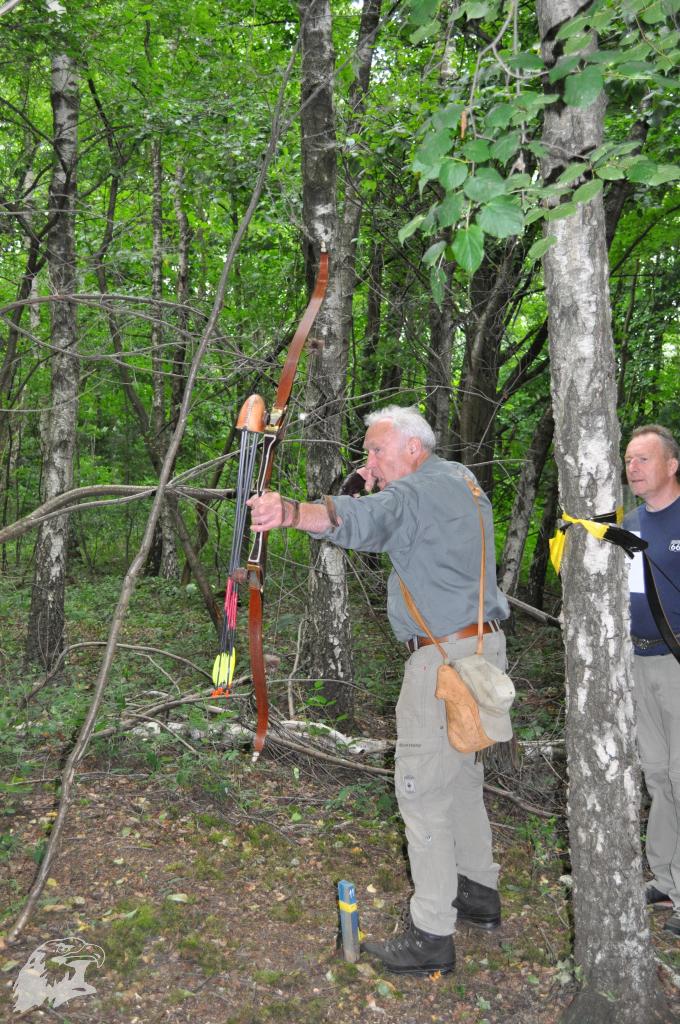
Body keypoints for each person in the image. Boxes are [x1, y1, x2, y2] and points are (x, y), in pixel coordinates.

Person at [249, 405, 510, 975]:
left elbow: (362, 523)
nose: (369, 460)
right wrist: (362, 485)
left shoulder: (416, 493)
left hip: (440, 663)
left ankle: (432, 938)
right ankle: (479, 896)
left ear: (413, 448)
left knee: (422, 795)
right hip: (483, 652)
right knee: (463, 777)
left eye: (376, 451)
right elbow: (371, 520)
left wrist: (287, 511)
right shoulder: (459, 481)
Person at [623, 424, 680, 937]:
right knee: (658, 777)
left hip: (678, 667)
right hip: (637, 664)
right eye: (628, 460)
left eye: (643, 458)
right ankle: (665, 878)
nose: (633, 467)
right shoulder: (631, 521)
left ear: (672, 464)